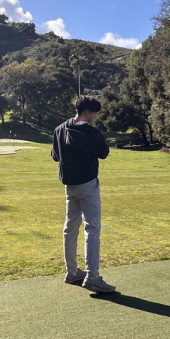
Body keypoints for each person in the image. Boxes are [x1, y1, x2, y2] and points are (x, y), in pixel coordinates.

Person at [52, 95, 115, 293]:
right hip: (87, 185)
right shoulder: (90, 131)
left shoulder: (59, 129)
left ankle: (72, 272)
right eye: (94, 113)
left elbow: (55, 156)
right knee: (92, 229)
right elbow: (104, 153)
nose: (95, 117)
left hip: (69, 186)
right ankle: (93, 276)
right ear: (86, 112)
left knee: (70, 228)